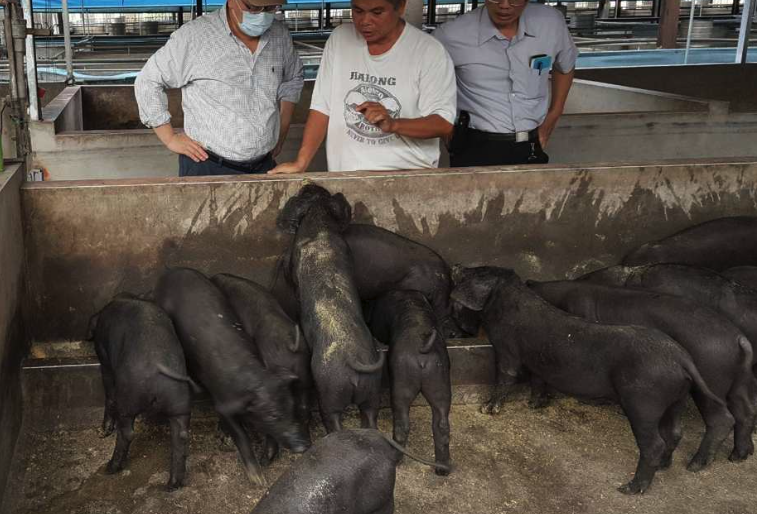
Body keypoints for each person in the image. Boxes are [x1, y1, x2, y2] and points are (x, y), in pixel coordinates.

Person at [269, 0, 456, 174]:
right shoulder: (340, 39)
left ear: (401, 7)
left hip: (406, 177)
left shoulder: (429, 52)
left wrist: (394, 124)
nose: (365, 21)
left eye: (377, 12)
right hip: (347, 175)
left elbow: (443, 123)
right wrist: (301, 162)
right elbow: (322, 107)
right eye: (358, 10)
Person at [135, 0, 304, 176]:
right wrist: (169, 138)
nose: (262, 15)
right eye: (254, 8)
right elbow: (149, 80)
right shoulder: (195, 36)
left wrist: (282, 129)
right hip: (207, 165)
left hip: (263, 166)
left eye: (270, 8)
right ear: (233, 2)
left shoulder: (280, 36)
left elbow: (293, 78)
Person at [433, 0, 578, 166]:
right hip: (474, 145)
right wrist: (446, 131)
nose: (504, 5)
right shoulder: (451, 35)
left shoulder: (550, 23)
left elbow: (565, 65)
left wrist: (554, 114)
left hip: (531, 144)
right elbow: (423, 82)